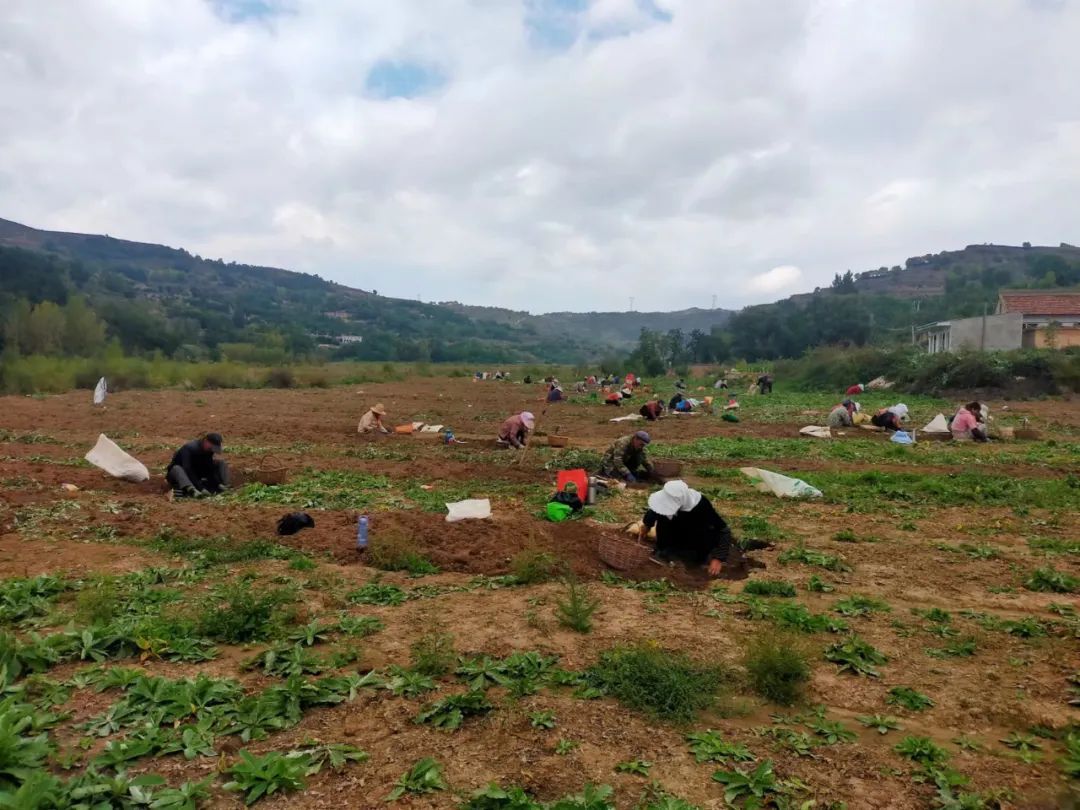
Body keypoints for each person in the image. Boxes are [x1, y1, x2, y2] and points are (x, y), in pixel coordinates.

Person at [638, 481, 734, 578]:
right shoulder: (664, 500)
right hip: (667, 541)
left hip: (693, 544)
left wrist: (718, 558)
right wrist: (647, 525)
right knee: (662, 555)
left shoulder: (701, 505)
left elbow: (723, 530)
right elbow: (653, 511)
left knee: (689, 562)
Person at [167, 433, 228, 498]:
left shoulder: (208, 451)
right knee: (177, 468)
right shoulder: (189, 448)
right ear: (206, 441)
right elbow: (187, 468)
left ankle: (223, 485)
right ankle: (191, 490)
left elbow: (209, 467)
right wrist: (201, 488)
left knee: (220, 463)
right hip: (179, 475)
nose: (212, 450)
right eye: (212, 447)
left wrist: (217, 484)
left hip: (196, 474)